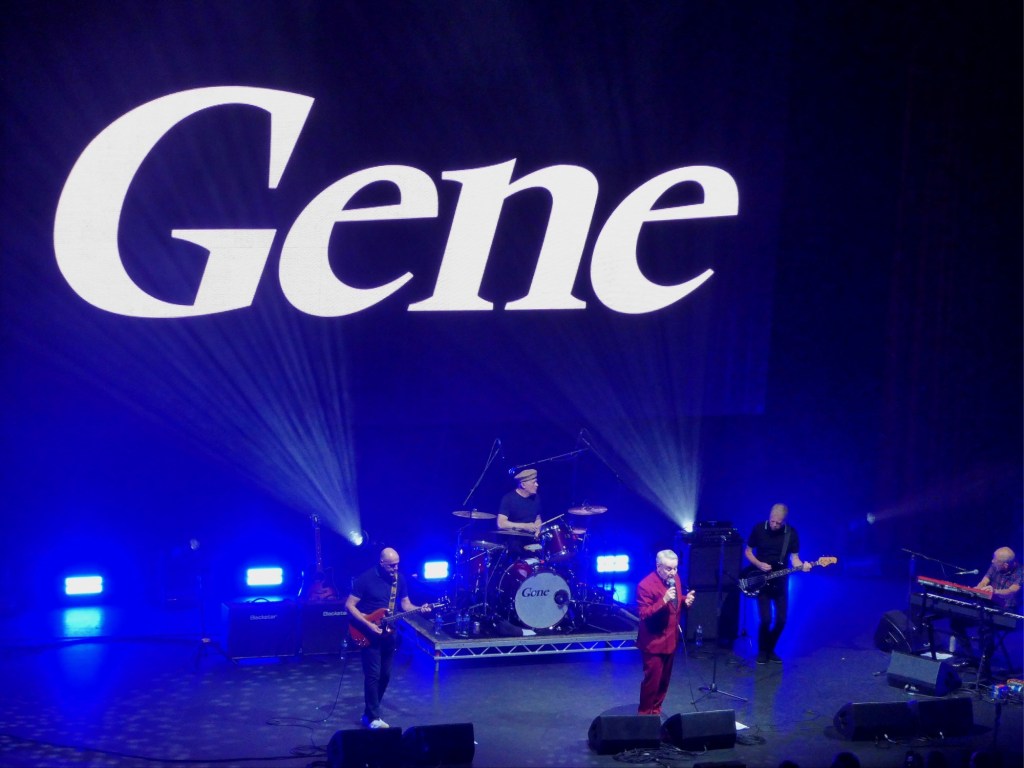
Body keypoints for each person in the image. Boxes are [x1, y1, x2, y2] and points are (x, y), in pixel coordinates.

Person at [345, 547, 432, 729]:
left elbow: (406, 605)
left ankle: (369, 713)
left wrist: (420, 609)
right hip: (368, 632)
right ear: (382, 562)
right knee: (373, 674)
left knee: (385, 675)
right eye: (391, 565)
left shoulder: (399, 580)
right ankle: (373, 717)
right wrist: (368, 624)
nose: (395, 568)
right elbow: (350, 605)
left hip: (389, 632)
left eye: (397, 564)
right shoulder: (366, 579)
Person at [744, 503, 811, 664]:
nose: (774, 525)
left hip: (780, 581)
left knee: (781, 621)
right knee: (766, 620)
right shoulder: (759, 529)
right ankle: (762, 651)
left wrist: (802, 566)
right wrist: (759, 564)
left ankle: (770, 649)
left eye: (778, 523)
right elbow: (748, 551)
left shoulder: (791, 533)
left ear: (784, 521)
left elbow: (795, 558)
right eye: (772, 521)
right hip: (762, 580)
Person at [636, 549, 695, 715]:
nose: (673, 572)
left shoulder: (675, 579)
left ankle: (656, 710)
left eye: (675, 568)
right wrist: (663, 600)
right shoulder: (645, 585)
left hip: (671, 639)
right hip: (654, 642)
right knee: (652, 681)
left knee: (664, 681)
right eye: (669, 569)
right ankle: (644, 713)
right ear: (658, 567)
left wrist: (685, 600)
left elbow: (675, 602)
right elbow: (644, 613)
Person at [951, 546, 1022, 681]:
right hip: (987, 607)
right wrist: (978, 589)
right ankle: (971, 658)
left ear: (1005, 565)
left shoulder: (1020, 572)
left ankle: (984, 668)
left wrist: (994, 592)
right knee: (957, 622)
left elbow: (1011, 591)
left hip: (1006, 612)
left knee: (986, 628)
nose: (992, 561)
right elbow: (984, 581)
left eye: (996, 560)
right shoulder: (995, 566)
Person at [497, 468, 543, 554]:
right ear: (523, 485)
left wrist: (538, 530)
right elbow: (501, 524)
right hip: (513, 543)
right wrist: (525, 526)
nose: (537, 485)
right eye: (534, 482)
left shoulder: (536, 498)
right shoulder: (508, 499)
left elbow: (538, 518)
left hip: (531, 542)